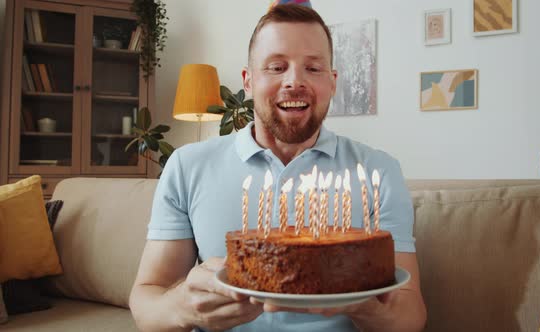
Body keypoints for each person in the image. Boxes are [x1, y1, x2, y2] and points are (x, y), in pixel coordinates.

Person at [129, 4, 426, 332]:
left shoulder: (378, 172)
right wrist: (184, 307)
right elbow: (147, 303)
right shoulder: (187, 167)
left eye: (313, 68)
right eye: (276, 67)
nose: (295, 81)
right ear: (248, 80)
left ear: (333, 82)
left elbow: (410, 316)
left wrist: (360, 303)